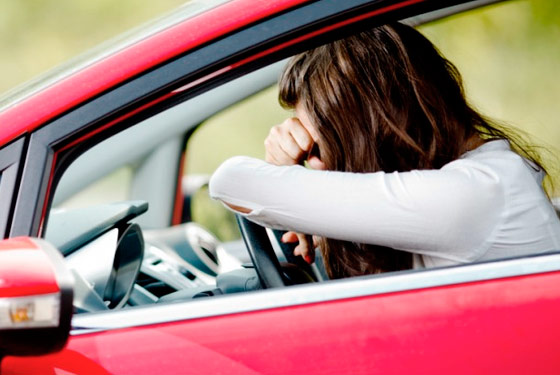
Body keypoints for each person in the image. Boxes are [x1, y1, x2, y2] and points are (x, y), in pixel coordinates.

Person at [209, 22, 560, 279]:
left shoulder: (474, 197)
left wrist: (284, 174)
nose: (319, 161)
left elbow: (229, 181)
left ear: (371, 127)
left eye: (317, 144)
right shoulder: (488, 178)